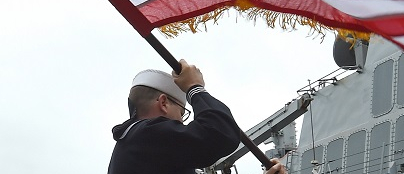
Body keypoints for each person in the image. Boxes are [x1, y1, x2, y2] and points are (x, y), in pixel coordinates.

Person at [109, 60, 287, 174]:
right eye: (182, 112)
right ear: (164, 103)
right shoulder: (146, 136)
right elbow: (219, 133)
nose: (181, 122)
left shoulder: (138, 145)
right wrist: (194, 88)